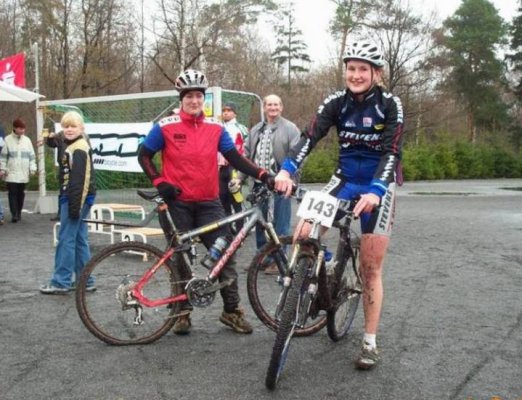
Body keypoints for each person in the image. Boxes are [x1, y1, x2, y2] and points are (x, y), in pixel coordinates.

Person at [274, 40, 404, 370]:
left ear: (376, 73)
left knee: (370, 267)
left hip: (378, 184)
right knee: (304, 229)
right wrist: (288, 169)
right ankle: (324, 267)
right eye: (351, 68)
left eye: (363, 69)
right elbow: (309, 136)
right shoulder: (336, 102)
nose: (356, 75)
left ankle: (369, 342)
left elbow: (392, 151)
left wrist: (375, 191)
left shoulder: (390, 105)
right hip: (344, 179)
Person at [137, 69, 274, 335]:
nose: (194, 101)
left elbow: (234, 157)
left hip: (210, 203)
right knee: (180, 258)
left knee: (225, 254)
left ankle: (231, 311)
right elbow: (143, 155)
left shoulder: (215, 127)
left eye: (199, 96)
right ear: (182, 99)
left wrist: (261, 174)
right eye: (189, 96)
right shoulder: (166, 126)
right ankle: (181, 314)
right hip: (178, 204)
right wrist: (158, 182)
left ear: (204, 99)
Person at [241, 94, 300, 274]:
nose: (273, 108)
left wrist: (291, 179)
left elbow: (298, 155)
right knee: (260, 221)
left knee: (281, 222)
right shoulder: (256, 130)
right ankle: (263, 258)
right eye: (269, 105)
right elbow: (246, 155)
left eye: (276, 105)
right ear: (264, 108)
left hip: (281, 182)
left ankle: (279, 261)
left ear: (281, 107)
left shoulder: (291, 129)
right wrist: (240, 178)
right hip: (259, 183)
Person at [40, 111, 97, 294]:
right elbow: (53, 140)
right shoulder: (74, 144)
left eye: (73, 126)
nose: (69, 129)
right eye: (66, 126)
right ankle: (86, 281)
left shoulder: (78, 148)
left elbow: (80, 180)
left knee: (66, 239)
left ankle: (61, 281)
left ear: (82, 128)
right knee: (80, 239)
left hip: (75, 198)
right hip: (79, 198)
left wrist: (74, 207)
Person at [218, 102, 249, 232]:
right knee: (222, 198)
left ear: (235, 113)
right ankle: (228, 229)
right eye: (224, 110)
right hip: (220, 168)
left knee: (236, 199)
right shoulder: (218, 127)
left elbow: (247, 148)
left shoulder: (241, 128)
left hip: (235, 168)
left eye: (229, 110)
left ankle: (241, 228)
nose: (226, 112)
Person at [0, 118, 37, 223]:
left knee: (21, 194)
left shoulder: (27, 140)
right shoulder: (7, 140)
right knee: (12, 193)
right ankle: (14, 214)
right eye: (20, 128)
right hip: (11, 172)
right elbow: (3, 157)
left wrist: (32, 168)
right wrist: (3, 169)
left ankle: (19, 211)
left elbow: (32, 157)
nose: (22, 130)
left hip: (23, 172)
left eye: (23, 128)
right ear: (15, 128)